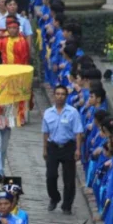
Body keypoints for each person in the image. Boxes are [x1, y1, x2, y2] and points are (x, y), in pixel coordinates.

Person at [42, 84, 83, 214]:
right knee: (51, 175)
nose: (60, 96)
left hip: (68, 146)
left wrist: (77, 149)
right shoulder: (48, 113)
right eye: (57, 94)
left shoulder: (73, 112)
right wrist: (44, 149)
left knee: (69, 179)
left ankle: (67, 205)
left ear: (66, 96)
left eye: (62, 94)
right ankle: (54, 197)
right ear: (54, 95)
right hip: (53, 146)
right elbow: (45, 132)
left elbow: (78, 132)